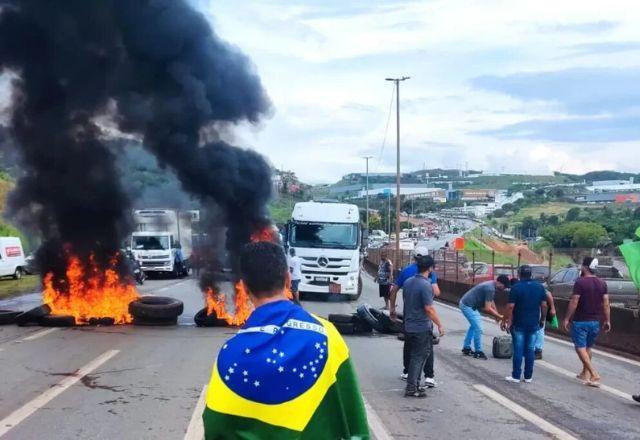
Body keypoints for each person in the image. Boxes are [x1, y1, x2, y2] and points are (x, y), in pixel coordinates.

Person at [203, 242, 369, 439]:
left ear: (244, 289)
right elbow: (355, 422)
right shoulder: (327, 336)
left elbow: (214, 425)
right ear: (288, 279)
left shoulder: (230, 352)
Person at [389, 248, 441, 387]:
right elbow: (436, 292)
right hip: (422, 318)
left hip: (408, 315)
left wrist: (392, 308)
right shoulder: (429, 275)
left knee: (409, 344)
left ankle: (407, 372)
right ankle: (429, 376)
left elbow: (393, 290)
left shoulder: (406, 273)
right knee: (426, 347)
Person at [398, 255, 445, 398]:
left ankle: (415, 385)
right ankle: (412, 387)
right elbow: (429, 309)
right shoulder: (426, 285)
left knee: (414, 356)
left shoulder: (408, 282)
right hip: (421, 327)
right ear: (430, 268)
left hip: (409, 325)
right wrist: (440, 325)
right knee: (419, 357)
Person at [563, 257, 611, 387]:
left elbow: (574, 301)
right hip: (595, 321)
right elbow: (606, 303)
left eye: (582, 265)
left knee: (580, 348)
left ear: (585, 267)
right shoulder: (602, 283)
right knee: (588, 348)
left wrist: (567, 318)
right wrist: (607, 320)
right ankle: (585, 373)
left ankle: (593, 373)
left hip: (581, 320)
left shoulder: (580, 282)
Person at [501, 266, 548, 383]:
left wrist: (504, 320)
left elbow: (510, 306)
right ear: (531, 274)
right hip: (533, 323)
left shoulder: (516, 288)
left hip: (519, 323)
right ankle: (528, 376)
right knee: (530, 349)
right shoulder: (539, 287)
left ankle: (516, 376)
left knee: (518, 349)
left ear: (519, 274)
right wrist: (542, 319)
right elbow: (544, 305)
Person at [459, 275, 510, 360]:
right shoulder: (490, 288)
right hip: (467, 305)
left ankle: (466, 348)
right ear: (499, 283)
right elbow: (487, 308)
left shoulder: (491, 285)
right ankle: (478, 351)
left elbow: (490, 301)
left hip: (470, 305)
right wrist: (500, 317)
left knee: (474, 326)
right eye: (504, 286)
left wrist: (496, 314)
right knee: (478, 328)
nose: (504, 289)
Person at [534, 289, 556, 360]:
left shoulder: (536, 285)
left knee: (539, 329)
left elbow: (548, 294)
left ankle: (538, 350)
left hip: (537, 309)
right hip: (529, 309)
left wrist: (552, 308)